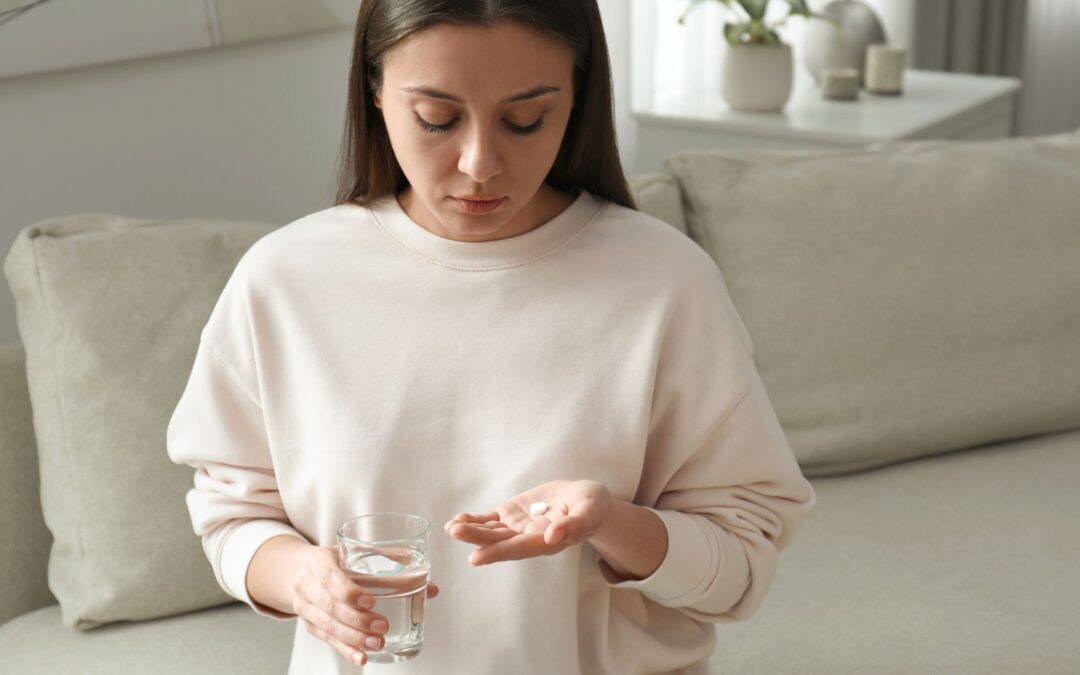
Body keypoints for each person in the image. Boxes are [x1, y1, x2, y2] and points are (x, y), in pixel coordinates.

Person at [165, 1, 817, 673]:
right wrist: (300, 576)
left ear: (578, 98)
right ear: (376, 90)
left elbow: (740, 569)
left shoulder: (665, 284)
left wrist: (610, 523)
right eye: (437, 119)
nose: (480, 164)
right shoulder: (284, 282)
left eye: (526, 119)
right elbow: (229, 512)